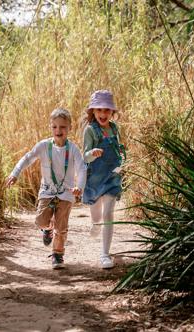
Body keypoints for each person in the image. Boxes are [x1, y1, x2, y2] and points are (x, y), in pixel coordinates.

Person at [6, 108, 86, 269]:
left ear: (69, 128)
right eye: (55, 127)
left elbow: (82, 168)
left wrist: (79, 186)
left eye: (63, 127)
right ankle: (47, 229)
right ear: (51, 127)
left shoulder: (73, 149)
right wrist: (15, 173)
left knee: (61, 227)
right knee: (41, 220)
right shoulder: (43, 146)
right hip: (47, 191)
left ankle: (57, 255)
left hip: (66, 193)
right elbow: (27, 158)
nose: (59, 130)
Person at [82, 90, 126, 269]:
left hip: (112, 177)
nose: (103, 114)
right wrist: (92, 153)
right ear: (93, 111)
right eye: (99, 110)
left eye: (107, 110)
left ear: (112, 112)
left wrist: (123, 159)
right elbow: (85, 156)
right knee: (97, 215)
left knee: (108, 214)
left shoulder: (115, 128)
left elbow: (119, 149)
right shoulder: (90, 130)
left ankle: (104, 254)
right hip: (95, 179)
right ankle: (95, 224)